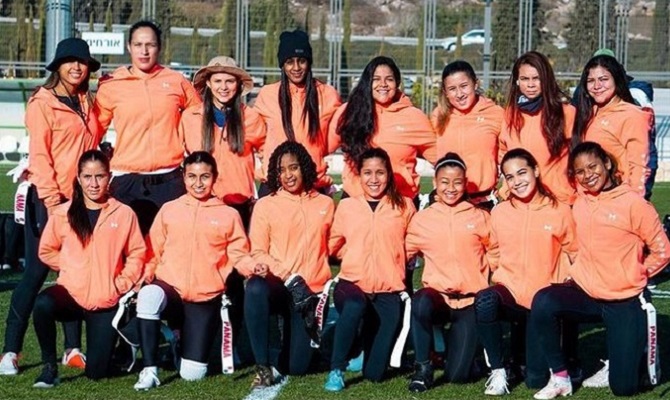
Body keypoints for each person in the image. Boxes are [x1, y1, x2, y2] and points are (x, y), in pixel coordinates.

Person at [529, 142, 670, 399]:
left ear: (606, 163)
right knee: (543, 301)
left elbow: (663, 251)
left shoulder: (634, 204)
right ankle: (560, 376)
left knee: (624, 389)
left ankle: (643, 349)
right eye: (580, 171)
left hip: (623, 298)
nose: (587, 175)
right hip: (587, 293)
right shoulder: (580, 200)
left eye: (592, 166)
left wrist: (636, 273)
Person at [0, 38, 104, 375]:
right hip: (49, 200)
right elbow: (40, 158)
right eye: (69, 61)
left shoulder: (87, 101)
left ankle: (72, 349)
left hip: (81, 201)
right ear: (57, 66)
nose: (76, 67)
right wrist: (53, 201)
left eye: (82, 62)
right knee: (35, 272)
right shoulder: (42, 103)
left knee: (73, 273)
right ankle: (10, 352)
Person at [133, 151, 250, 390]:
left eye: (205, 176)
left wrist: (253, 268)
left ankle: (178, 341)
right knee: (148, 296)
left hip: (204, 297)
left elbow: (239, 254)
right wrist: (145, 277)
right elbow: (152, 250)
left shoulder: (229, 214)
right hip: (171, 289)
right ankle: (150, 370)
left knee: (192, 374)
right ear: (184, 178)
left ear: (214, 178)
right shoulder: (169, 209)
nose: (198, 183)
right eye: (192, 176)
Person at [31, 150, 145, 388]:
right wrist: (71, 268)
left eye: (100, 176)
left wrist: (122, 283)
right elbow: (47, 250)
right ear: (79, 178)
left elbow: (137, 253)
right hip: (71, 293)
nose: (94, 184)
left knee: (97, 373)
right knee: (42, 304)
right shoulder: (63, 213)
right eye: (87, 177)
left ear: (109, 177)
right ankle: (49, 367)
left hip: (105, 298)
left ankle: (124, 346)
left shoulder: (124, 214)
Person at [475, 148, 576, 396]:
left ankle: (525, 360)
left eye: (522, 173)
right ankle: (498, 371)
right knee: (485, 300)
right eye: (510, 177)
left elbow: (574, 252)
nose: (517, 181)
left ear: (536, 171)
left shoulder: (560, 210)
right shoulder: (499, 212)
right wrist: (500, 274)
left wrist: (561, 285)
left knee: (535, 379)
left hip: (541, 301)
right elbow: (494, 251)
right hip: (509, 293)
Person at [238, 141, 334, 388]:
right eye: (282, 170)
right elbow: (258, 251)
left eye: (294, 168)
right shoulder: (266, 205)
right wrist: (289, 276)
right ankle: (262, 366)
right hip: (280, 286)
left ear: (304, 167)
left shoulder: (325, 204)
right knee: (255, 287)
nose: (288, 175)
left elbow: (334, 247)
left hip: (309, 294)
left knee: (297, 367)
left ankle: (308, 339)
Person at [94, 20, 201, 234]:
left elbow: (198, 117)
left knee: (168, 250)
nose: (144, 51)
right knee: (126, 249)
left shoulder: (176, 81)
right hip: (126, 180)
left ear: (159, 47)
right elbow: (93, 130)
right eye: (138, 45)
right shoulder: (111, 85)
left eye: (150, 45)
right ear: (129, 47)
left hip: (170, 179)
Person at [324, 148, 415, 392]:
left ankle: (363, 347)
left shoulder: (404, 206)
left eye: (380, 173)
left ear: (389, 175)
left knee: (375, 374)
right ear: (359, 175)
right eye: (367, 173)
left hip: (388, 290)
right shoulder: (347, 207)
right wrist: (355, 255)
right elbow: (334, 245)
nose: (374, 179)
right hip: (352, 284)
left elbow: (413, 246)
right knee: (354, 306)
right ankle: (337, 369)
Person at [405, 152, 492, 392]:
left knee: (457, 376)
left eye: (457, 182)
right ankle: (423, 367)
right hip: (438, 299)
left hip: (469, 303)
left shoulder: (481, 217)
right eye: (444, 181)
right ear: (434, 183)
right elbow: (402, 254)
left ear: (465, 183)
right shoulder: (422, 220)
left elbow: (497, 255)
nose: (450, 188)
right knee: (420, 302)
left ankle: (471, 354)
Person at [329, 55, 437, 203]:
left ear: (397, 83)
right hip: (356, 203)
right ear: (367, 82)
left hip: (400, 204)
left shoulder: (414, 117)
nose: (383, 84)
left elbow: (442, 159)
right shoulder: (349, 112)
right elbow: (322, 148)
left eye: (389, 79)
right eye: (376, 79)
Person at [181, 56, 266, 230]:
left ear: (238, 85)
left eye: (230, 81)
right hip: (200, 203)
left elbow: (267, 154)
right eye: (218, 81)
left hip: (238, 202)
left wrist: (254, 178)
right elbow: (178, 155)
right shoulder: (190, 117)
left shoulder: (251, 117)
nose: (224, 87)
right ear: (209, 84)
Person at [253, 30, 341, 196]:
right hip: (275, 185)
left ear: (309, 62)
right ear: (282, 65)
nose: (296, 67)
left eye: (301, 61)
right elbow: (254, 133)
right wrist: (269, 156)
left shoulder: (327, 94)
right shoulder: (268, 94)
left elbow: (336, 134)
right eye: (289, 62)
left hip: (313, 184)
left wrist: (318, 153)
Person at [500, 51, 576, 206]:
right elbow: (503, 151)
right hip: (519, 200)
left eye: (536, 78)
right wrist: (506, 188)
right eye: (524, 79)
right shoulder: (509, 115)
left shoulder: (567, 113)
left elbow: (578, 157)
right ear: (517, 81)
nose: (530, 85)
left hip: (556, 200)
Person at [572, 54, 651, 198]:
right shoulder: (587, 113)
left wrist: (632, 202)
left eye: (603, 79)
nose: (597, 86)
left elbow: (639, 166)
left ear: (616, 80)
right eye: (591, 81)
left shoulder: (631, 115)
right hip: (589, 202)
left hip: (617, 201)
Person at [431, 61, 503, 209]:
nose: (459, 94)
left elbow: (508, 154)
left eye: (464, 86)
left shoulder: (495, 114)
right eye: (452, 89)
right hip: (445, 202)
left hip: (483, 202)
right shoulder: (438, 116)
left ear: (475, 84)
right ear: (445, 92)